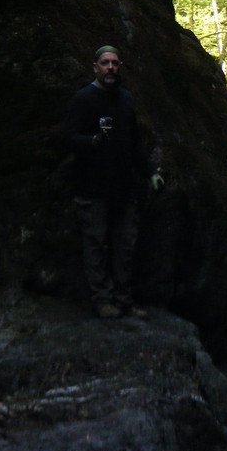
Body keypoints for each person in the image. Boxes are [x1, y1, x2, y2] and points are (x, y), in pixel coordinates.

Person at [63, 45, 163, 319]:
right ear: (95, 66)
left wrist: (151, 172)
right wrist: (91, 141)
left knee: (126, 247)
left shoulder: (126, 100)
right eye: (105, 63)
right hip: (92, 188)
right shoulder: (83, 99)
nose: (110, 68)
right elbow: (67, 138)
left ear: (120, 67)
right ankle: (102, 301)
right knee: (96, 244)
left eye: (115, 63)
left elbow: (135, 144)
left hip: (124, 187)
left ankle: (124, 300)